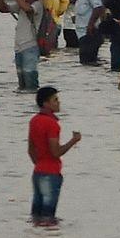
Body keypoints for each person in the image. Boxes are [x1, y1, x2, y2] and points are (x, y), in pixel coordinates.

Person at [28, 86, 81, 226]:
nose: (58, 103)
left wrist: (39, 163)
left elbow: (31, 149)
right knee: (48, 216)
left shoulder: (34, 120)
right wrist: (73, 141)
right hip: (50, 172)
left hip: (38, 171)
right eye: (55, 100)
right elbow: (55, 152)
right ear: (46, 103)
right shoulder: (52, 124)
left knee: (36, 213)